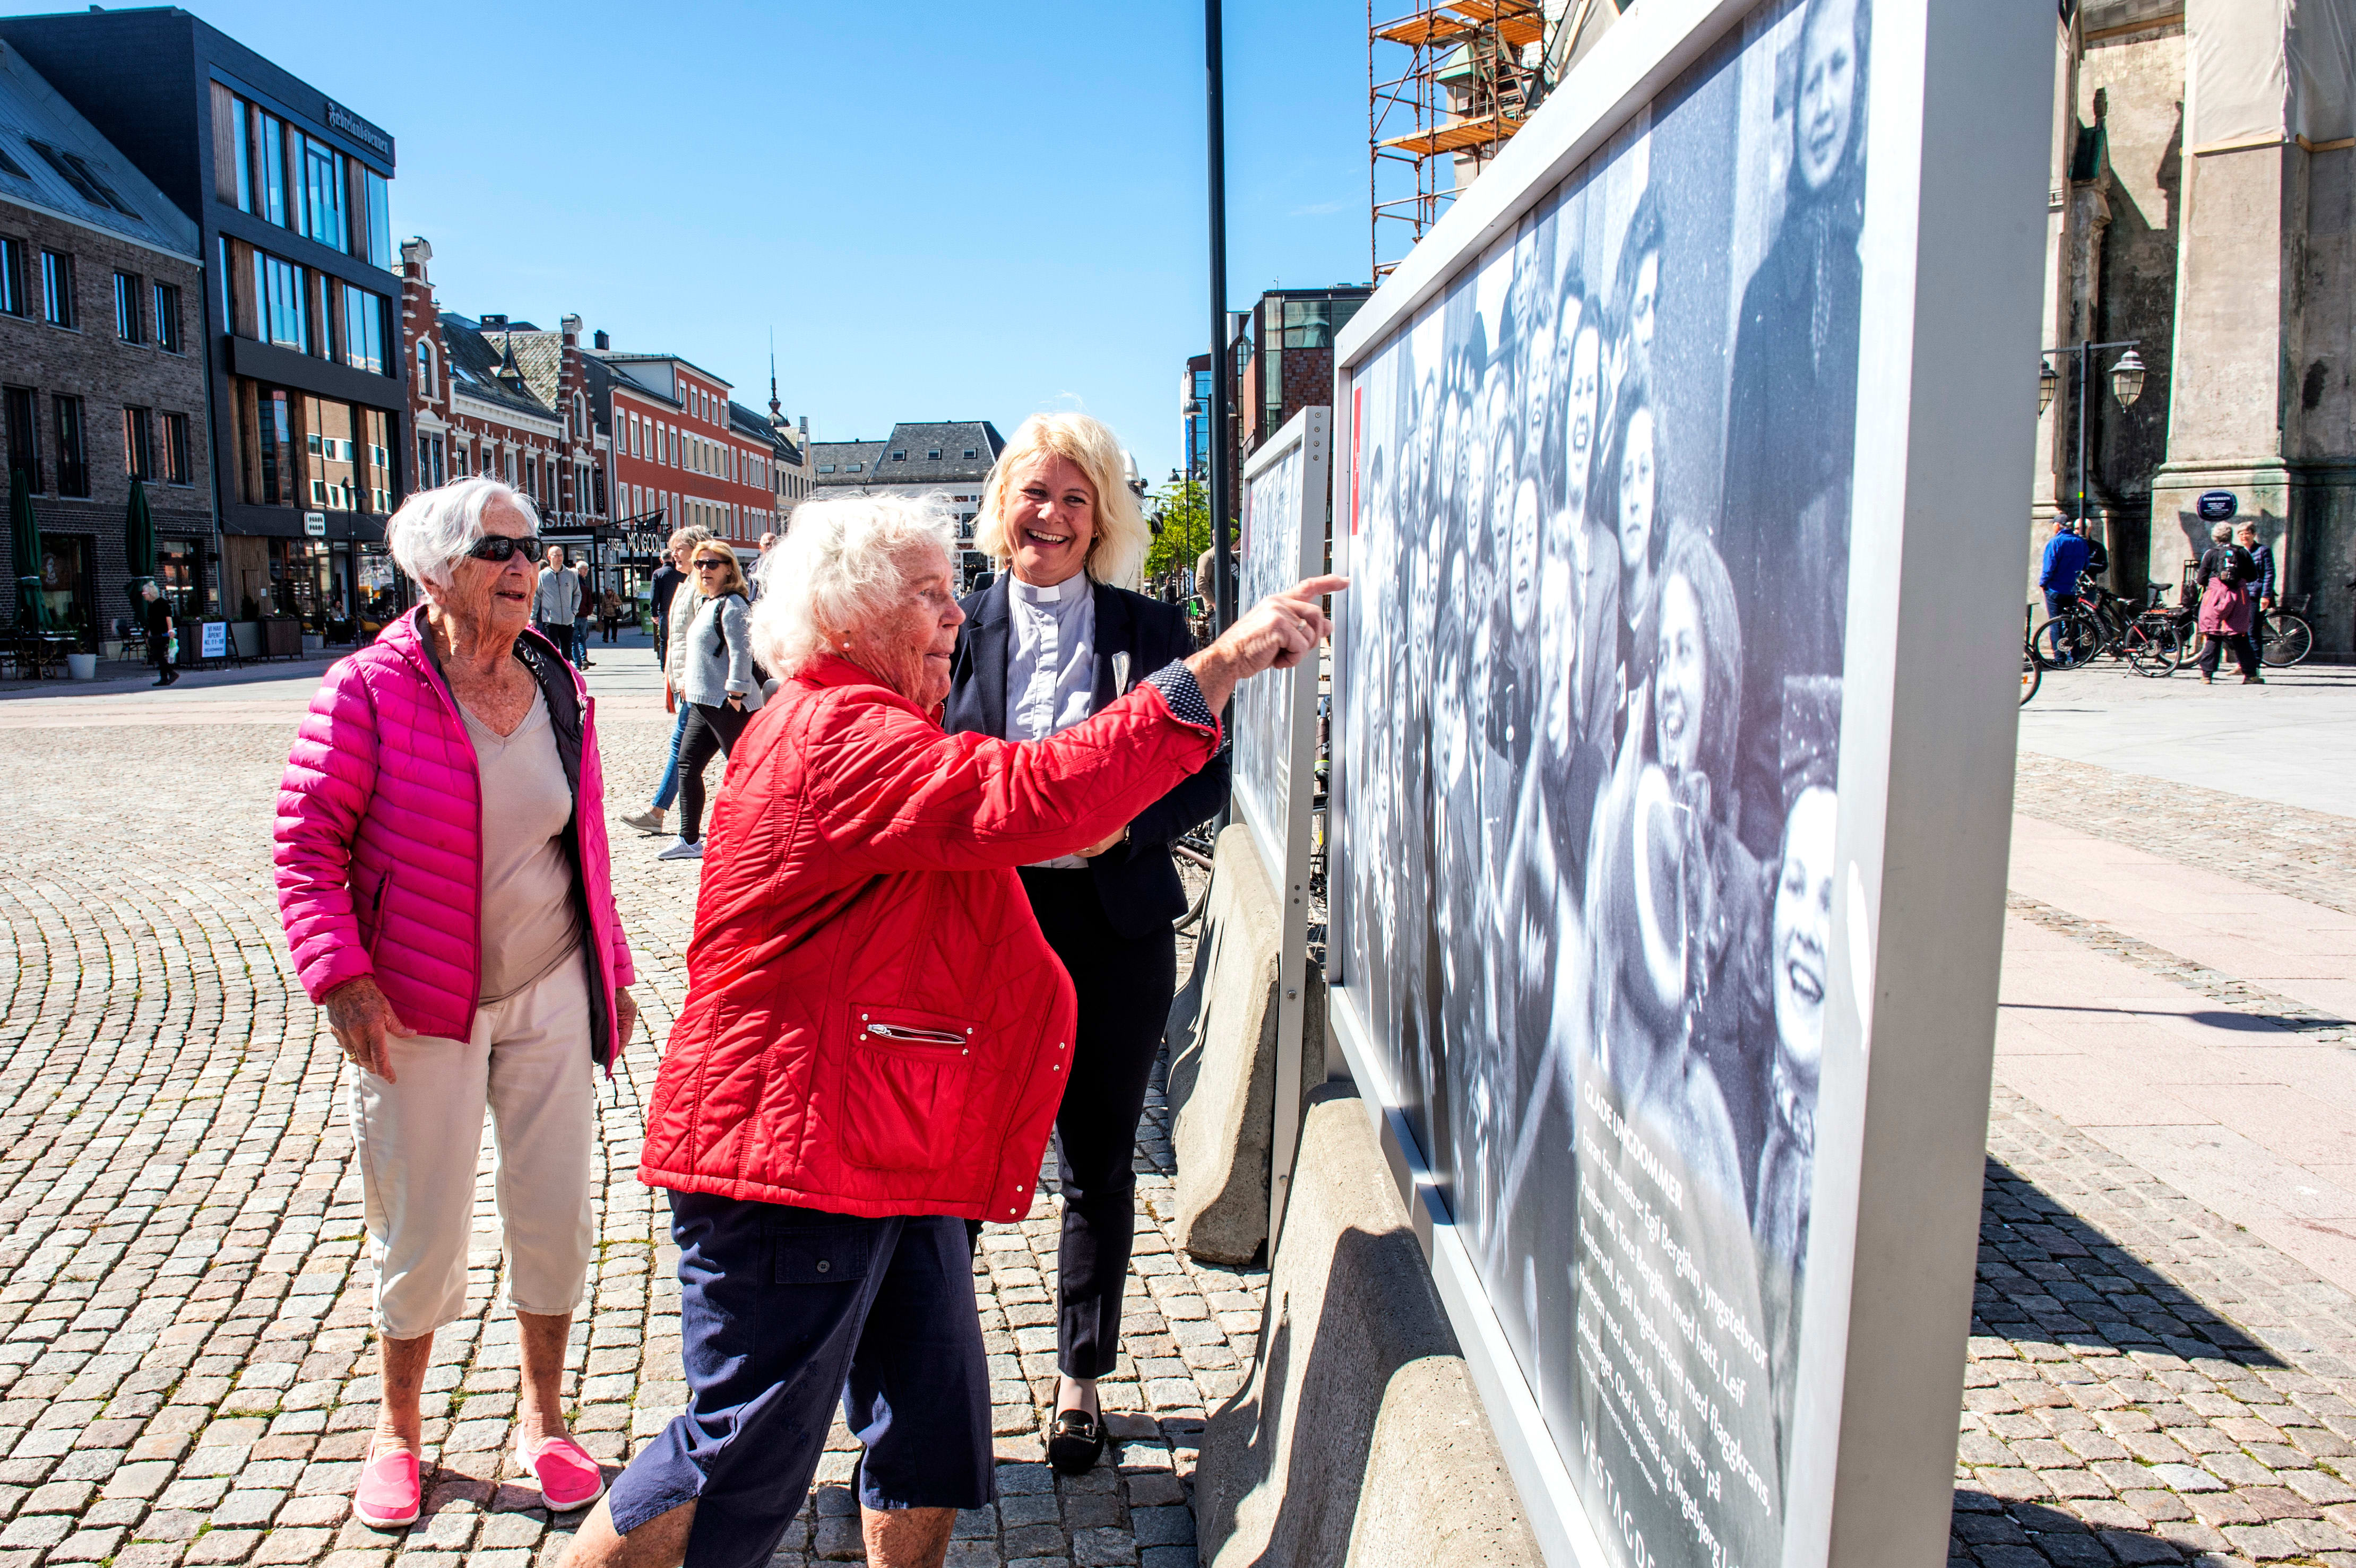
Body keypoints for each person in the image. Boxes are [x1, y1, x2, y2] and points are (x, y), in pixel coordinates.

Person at [555, 493, 1337, 1568]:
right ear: (851, 614)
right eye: (928, 595)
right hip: (793, 1158)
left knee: (928, 1429)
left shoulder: (864, 722)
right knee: (734, 1455)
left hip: (880, 1145)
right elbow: (1035, 795)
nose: (955, 615)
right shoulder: (839, 731)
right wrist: (1219, 665)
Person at [274, 477, 639, 1531]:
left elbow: (584, 845)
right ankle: (397, 1431)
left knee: (554, 1210)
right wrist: (341, 976)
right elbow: (307, 845)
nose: (524, 566)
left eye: (530, 547)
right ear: (436, 573)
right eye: (496, 550)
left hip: (550, 983)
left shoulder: (558, 682)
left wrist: (611, 967)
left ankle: (546, 1416)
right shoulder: (367, 689)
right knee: (421, 1222)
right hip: (416, 995)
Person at [940, 413, 1230, 1475]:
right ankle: (939, 1375)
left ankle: (1079, 1377)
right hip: (986, 926)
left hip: (1113, 926)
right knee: (956, 1158)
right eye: (1033, 494)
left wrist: (1130, 824)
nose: (1051, 517)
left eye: (1074, 498)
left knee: (1098, 1159)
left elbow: (1208, 767)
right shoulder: (952, 625)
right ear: (1001, 507)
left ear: (1100, 516)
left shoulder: (1149, 630)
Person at [1720, 0, 1868, 860]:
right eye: (1807, 79)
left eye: (1836, 72)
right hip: (1779, 665)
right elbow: (1740, 511)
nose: (1820, 102)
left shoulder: (1880, 269)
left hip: (1858, 643)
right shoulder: (1766, 293)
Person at [656, 543, 758, 861]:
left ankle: (760, 836)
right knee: (687, 765)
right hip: (703, 703)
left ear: (729, 568)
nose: (704, 569)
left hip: (728, 704)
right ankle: (689, 840)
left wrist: (737, 693)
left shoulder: (734, 605)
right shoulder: (708, 602)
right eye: (700, 563)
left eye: (712, 564)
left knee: (746, 772)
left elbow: (742, 652)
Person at [622, 528, 714, 841]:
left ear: (696, 549)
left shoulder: (700, 587)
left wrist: (687, 676)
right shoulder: (686, 583)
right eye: (673, 548)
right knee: (698, 752)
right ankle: (659, 814)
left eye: (680, 548)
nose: (674, 554)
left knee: (687, 751)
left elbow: (701, 638)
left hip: (699, 684)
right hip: (691, 681)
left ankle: (658, 814)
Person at [2194, 520, 2262, 684]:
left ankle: (2207, 675)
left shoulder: (2211, 553)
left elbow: (2201, 579)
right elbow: (2253, 576)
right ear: (2231, 536)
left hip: (2215, 597)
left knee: (2213, 634)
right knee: (2240, 636)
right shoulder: (2242, 552)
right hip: (2238, 597)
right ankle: (2251, 675)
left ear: (2215, 538)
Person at [2038, 512, 2093, 621]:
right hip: (2073, 588)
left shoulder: (2055, 542)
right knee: (2072, 621)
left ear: (2058, 526)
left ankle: (2059, 635)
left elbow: (2049, 567)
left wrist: (2043, 583)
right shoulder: (2081, 542)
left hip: (2055, 588)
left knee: (2055, 622)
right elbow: (2086, 565)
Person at [2238, 521, 2276, 661]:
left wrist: (2266, 596)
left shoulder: (2263, 551)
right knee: (2240, 631)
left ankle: (2255, 664)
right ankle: (2242, 663)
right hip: (2242, 595)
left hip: (2256, 595)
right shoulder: (2239, 552)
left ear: (2254, 534)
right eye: (2241, 534)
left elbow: (2269, 574)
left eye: (2247, 533)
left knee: (2253, 630)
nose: (2244, 536)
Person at [536, 544, 581, 653]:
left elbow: (577, 594)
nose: (560, 558)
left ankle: (566, 665)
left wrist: (574, 611)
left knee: (567, 650)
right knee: (553, 649)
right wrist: (532, 617)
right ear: (549, 557)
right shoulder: (543, 575)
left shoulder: (570, 574)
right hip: (550, 620)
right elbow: (536, 596)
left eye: (561, 555)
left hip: (568, 620)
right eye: (556, 556)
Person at [141, 580, 178, 687]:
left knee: (157, 655)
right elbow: (152, 621)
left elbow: (168, 617)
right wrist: (150, 631)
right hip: (156, 633)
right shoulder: (152, 605)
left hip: (162, 634)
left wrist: (170, 630)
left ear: (150, 594)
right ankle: (164, 678)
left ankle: (171, 673)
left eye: (144, 593)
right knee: (159, 655)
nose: (143, 596)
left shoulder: (162, 603)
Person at [573, 559, 596, 668]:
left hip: (581, 615)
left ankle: (583, 659)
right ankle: (579, 662)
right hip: (576, 615)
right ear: (578, 570)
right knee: (576, 639)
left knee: (581, 638)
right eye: (584, 569)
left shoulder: (582, 582)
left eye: (587, 570)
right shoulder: (577, 583)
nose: (586, 572)